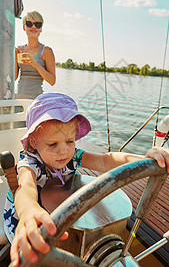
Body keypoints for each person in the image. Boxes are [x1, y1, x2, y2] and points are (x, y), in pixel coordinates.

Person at [4, 93, 169, 267]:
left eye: (69, 141)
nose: (63, 151)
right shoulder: (29, 164)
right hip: (31, 220)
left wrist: (145, 160)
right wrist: (29, 211)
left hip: (62, 216)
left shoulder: (74, 155)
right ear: (34, 142)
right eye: (52, 144)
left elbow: (106, 159)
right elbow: (25, 188)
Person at [15, 11, 56, 99]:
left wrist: (35, 64)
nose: (33, 27)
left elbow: (52, 81)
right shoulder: (18, 50)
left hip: (36, 101)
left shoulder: (46, 51)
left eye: (37, 24)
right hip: (17, 99)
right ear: (24, 27)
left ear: (41, 29)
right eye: (29, 23)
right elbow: (13, 77)